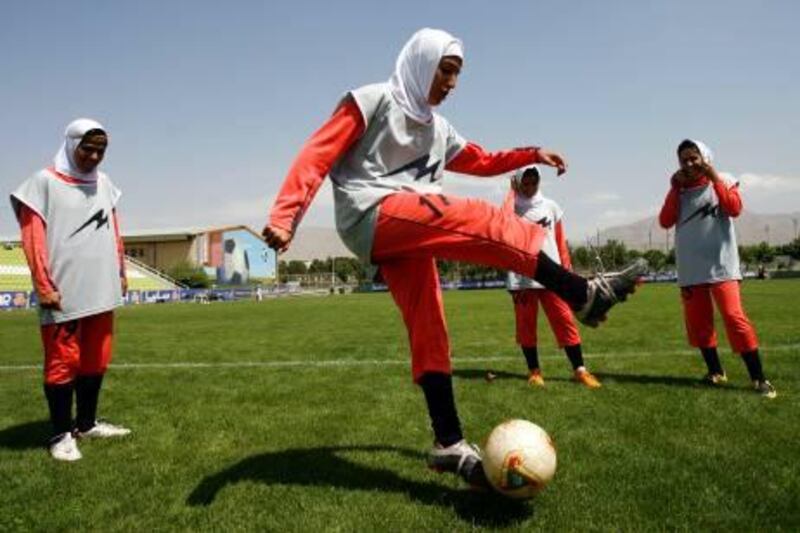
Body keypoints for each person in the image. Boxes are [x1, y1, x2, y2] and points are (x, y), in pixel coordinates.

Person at [262, 28, 646, 487]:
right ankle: (581, 292)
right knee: (480, 218)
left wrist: (531, 154)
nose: (452, 83)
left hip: (407, 229)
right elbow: (317, 153)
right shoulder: (372, 100)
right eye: (446, 71)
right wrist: (286, 215)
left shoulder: (438, 129)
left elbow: (481, 160)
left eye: (457, 74)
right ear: (423, 63)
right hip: (371, 213)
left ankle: (448, 444)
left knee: (430, 325)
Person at [10, 118, 131, 461]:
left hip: (101, 288)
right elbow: (32, 238)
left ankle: (87, 423)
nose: (94, 156)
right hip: (64, 291)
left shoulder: (105, 184)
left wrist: (120, 270)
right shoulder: (42, 183)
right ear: (70, 144)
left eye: (101, 150)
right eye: (88, 148)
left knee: (96, 359)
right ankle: (61, 435)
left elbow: (114, 229)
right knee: (64, 362)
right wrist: (43, 284)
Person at [658, 139, 776, 399]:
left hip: (722, 266)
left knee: (734, 318)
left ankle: (759, 378)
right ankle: (716, 371)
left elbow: (734, 208)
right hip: (691, 269)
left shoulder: (724, 180)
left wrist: (714, 177)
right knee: (700, 324)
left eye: (694, 158)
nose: (689, 164)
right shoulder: (679, 191)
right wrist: (673, 188)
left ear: (706, 157)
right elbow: (665, 221)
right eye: (684, 160)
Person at [503, 166, 601, 389]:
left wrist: (568, 274)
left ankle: (580, 370)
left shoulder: (551, 206)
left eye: (533, 182)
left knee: (565, 321)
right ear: (517, 182)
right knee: (526, 327)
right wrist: (511, 192)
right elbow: (502, 224)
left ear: (539, 182)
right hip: (522, 277)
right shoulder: (512, 208)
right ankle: (534, 372)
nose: (529, 187)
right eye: (524, 183)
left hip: (553, 277)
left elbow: (560, 242)